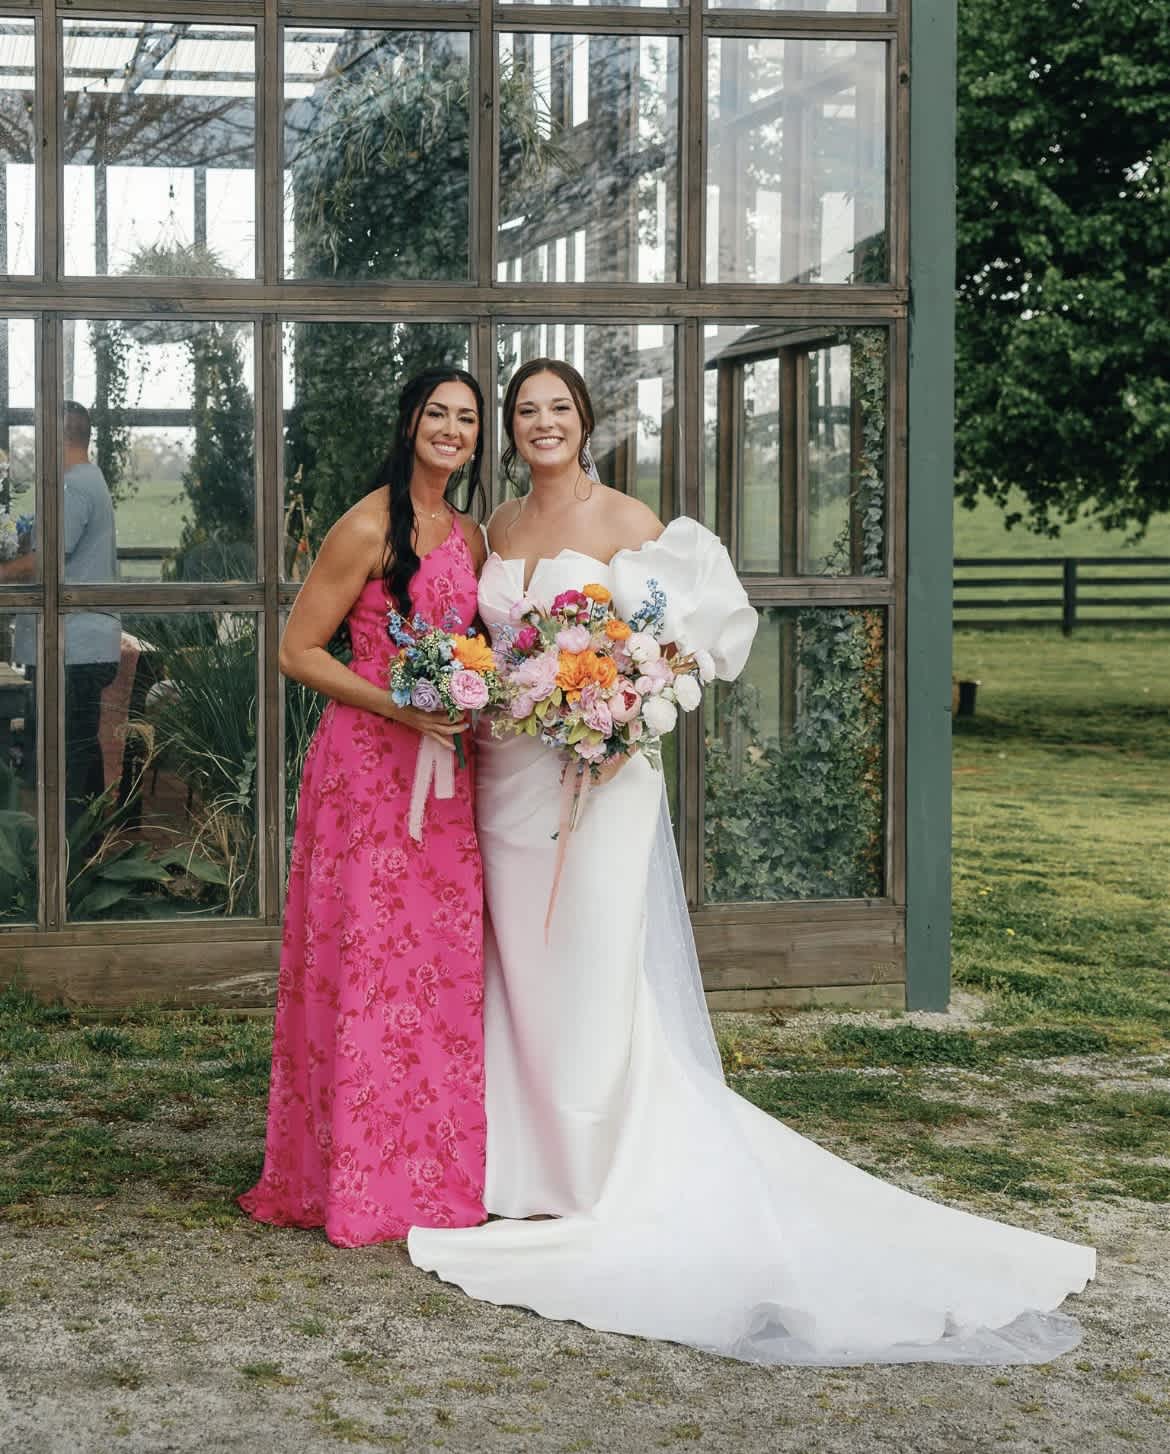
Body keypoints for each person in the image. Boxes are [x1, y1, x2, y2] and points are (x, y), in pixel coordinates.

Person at [407, 358, 1096, 1365]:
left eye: (558, 408)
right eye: (526, 411)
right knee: (521, 970)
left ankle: (596, 1170)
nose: (541, 423)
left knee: (592, 967)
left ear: (585, 421)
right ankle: (520, 1166)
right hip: (508, 776)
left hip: (600, 781)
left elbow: (684, 644)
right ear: (510, 431)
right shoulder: (499, 527)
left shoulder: (629, 519)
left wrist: (624, 714)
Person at [239, 368, 490, 1247]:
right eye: (437, 414)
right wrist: (397, 704)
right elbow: (297, 650)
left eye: (467, 419)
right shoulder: (367, 525)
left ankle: (428, 1166)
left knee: (434, 964)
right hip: (367, 771)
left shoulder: (472, 535)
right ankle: (348, 1174)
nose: (451, 430)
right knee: (365, 959)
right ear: (410, 423)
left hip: (445, 776)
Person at [2, 401, 120, 832]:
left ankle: (70, 850)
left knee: (66, 756)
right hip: (82, 644)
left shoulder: (71, 488)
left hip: (73, 645)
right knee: (80, 750)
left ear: (56, 437)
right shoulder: (89, 480)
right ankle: (87, 847)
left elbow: (46, 560)